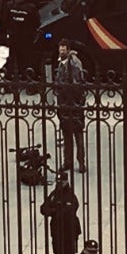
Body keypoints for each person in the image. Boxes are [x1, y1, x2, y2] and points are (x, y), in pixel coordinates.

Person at [51, 41, 88, 172]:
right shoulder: (62, 63)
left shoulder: (74, 64)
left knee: (77, 134)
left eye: (63, 51)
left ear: (68, 50)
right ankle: (68, 161)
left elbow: (75, 84)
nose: (61, 53)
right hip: (65, 104)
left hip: (74, 103)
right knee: (66, 134)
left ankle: (81, 162)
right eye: (60, 50)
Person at [40, 173, 81, 254]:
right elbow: (43, 208)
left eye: (62, 181)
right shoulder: (54, 194)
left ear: (66, 181)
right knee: (57, 250)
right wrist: (55, 210)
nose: (59, 183)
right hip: (56, 228)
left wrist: (55, 210)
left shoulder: (70, 195)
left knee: (69, 252)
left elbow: (70, 209)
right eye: (58, 181)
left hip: (69, 228)